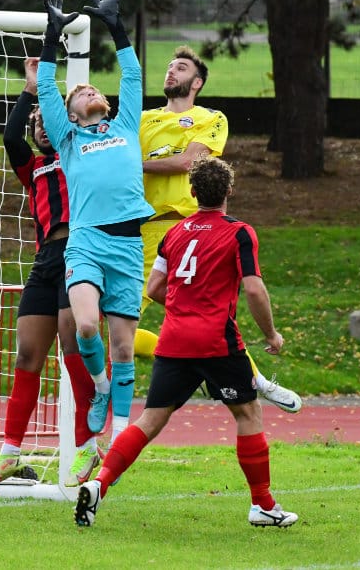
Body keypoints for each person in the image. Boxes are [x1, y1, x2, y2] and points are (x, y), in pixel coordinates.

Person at [74, 156, 298, 528]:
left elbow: (154, 288)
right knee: (248, 413)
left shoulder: (174, 234)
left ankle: (100, 484)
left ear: (192, 192)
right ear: (229, 191)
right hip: (216, 341)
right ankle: (263, 504)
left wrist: (185, 305)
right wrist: (271, 334)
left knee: (149, 420)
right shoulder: (240, 232)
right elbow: (254, 290)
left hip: (174, 340)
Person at [137, 45, 303, 414]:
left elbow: (189, 162)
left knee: (210, 321)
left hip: (190, 229)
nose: (171, 71)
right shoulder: (143, 119)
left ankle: (256, 380)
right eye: (169, 66)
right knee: (114, 329)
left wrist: (138, 163)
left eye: (181, 67)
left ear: (197, 82)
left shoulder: (211, 118)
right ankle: (212, 368)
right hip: (144, 231)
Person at [0, 58, 101, 490]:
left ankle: (87, 443)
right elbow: (10, 137)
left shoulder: (79, 151)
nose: (42, 128)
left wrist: (55, 102)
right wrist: (30, 87)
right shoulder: (32, 169)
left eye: (49, 120)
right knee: (27, 355)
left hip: (79, 254)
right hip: (45, 261)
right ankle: (10, 452)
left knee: (73, 348)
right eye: (37, 124)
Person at [37, 0, 153, 445]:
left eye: (92, 87)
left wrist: (116, 26)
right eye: (81, 91)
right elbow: (46, 87)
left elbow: (133, 75)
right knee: (86, 325)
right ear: (70, 114)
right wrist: (53, 36)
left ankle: (120, 434)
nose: (89, 89)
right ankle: (100, 389)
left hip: (127, 245)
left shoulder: (125, 124)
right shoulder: (68, 140)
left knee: (123, 347)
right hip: (86, 241)